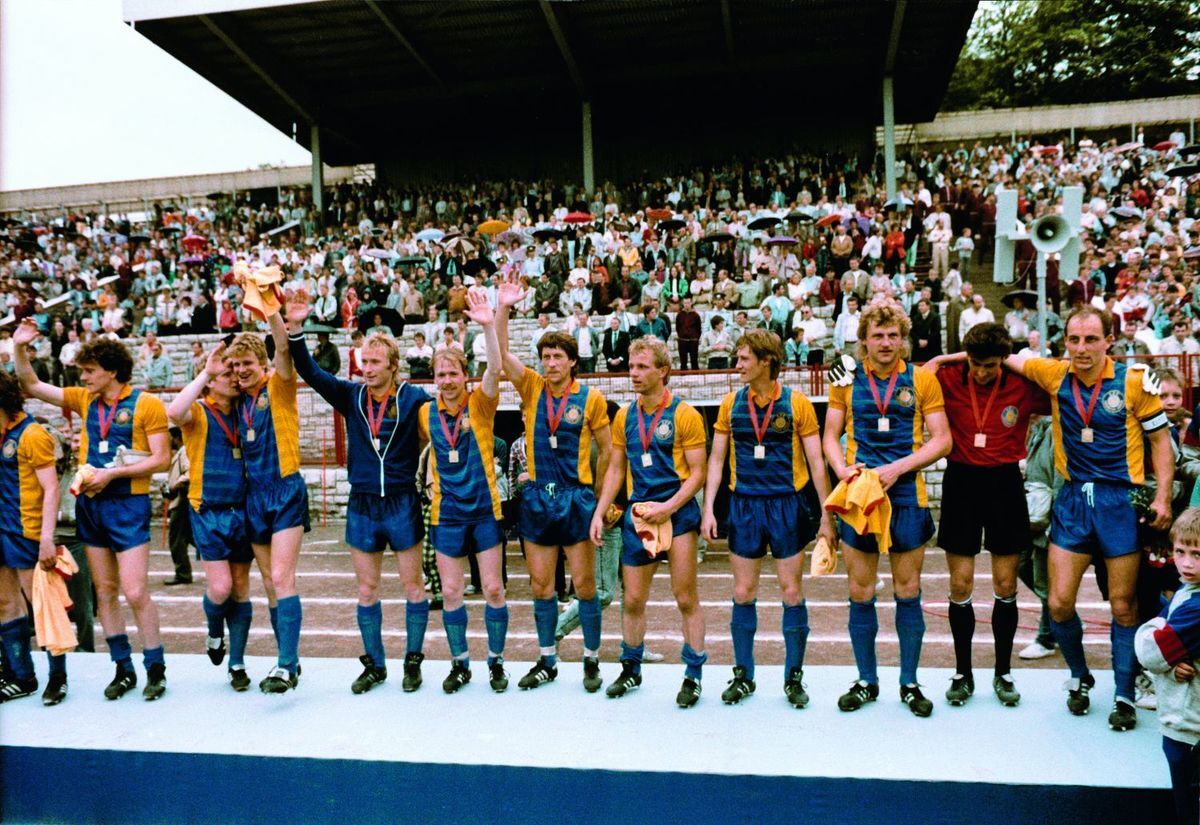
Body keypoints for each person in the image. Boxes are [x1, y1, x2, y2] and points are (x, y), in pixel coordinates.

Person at [1006, 306, 1173, 731]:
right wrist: (942, 360)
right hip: (1073, 500)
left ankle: (1123, 692)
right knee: (1059, 602)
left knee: (1122, 605)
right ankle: (1080, 677)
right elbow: (1001, 353)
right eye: (1074, 340)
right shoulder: (1054, 374)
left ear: (1108, 340)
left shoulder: (1134, 382)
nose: (1081, 349)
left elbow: (1160, 442)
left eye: (1090, 340)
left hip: (1120, 501)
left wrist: (1165, 497)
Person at [13, 320, 171, 701]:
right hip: (91, 504)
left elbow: (162, 459)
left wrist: (112, 473)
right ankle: (123, 667)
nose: (82, 376)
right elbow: (32, 385)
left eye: (89, 370)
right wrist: (18, 348)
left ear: (112, 371)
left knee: (135, 591)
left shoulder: (146, 404)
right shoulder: (85, 400)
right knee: (105, 591)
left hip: (127, 505)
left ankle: (155, 667)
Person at [286, 297, 434, 695]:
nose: (366, 369)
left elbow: (443, 421)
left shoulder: (414, 399)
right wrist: (296, 330)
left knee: (413, 586)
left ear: (392, 366)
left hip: (402, 502)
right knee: (366, 589)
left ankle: (413, 660)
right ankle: (375, 664)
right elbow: (311, 372)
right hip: (363, 503)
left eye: (374, 363)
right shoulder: (351, 396)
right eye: (363, 363)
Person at [822, 301, 952, 717]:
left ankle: (909, 682)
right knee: (860, 591)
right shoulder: (845, 379)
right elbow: (830, 434)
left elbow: (942, 440)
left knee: (907, 591)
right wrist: (842, 468)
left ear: (903, 339)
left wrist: (898, 468)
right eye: (877, 335)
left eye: (893, 335)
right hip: (860, 492)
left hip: (907, 493)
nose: (886, 342)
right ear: (863, 340)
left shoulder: (921, 380)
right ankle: (866, 680)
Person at [702, 329, 836, 707]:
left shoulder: (798, 404)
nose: (737, 365)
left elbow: (816, 463)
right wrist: (709, 507)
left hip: (786, 505)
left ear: (766, 362)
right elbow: (716, 459)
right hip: (744, 505)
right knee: (743, 592)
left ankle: (793, 677)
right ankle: (744, 675)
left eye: (744, 359)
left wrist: (827, 515)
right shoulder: (730, 403)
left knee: (791, 591)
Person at [496, 278, 613, 692]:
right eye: (545, 356)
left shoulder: (592, 399)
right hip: (537, 497)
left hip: (576, 497)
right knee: (541, 585)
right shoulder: (531, 388)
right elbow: (503, 355)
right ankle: (548, 658)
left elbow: (609, 451)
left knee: (585, 586)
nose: (550, 363)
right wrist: (504, 307)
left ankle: (592, 659)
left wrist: (599, 501)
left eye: (558, 356)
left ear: (572, 361)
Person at [925, 324, 1050, 707]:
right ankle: (963, 673)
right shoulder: (947, 377)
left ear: (1004, 360)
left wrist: (1014, 362)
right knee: (960, 586)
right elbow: (919, 373)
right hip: (961, 481)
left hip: (1004, 483)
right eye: (976, 364)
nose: (981, 373)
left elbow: (1057, 377)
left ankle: (1002, 672)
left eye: (991, 366)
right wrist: (947, 358)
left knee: (1005, 585)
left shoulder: (1021, 383)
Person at [590, 337, 708, 707]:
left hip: (678, 516)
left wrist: (668, 508)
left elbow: (698, 474)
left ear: (663, 370)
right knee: (633, 600)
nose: (634, 373)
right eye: (632, 365)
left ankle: (693, 674)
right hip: (639, 517)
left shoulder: (685, 414)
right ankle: (630, 668)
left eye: (642, 367)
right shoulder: (624, 415)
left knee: (685, 597)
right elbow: (616, 469)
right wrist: (600, 510)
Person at [418, 290, 510, 694]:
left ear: (464, 376)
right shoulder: (425, 412)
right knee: (452, 591)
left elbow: (496, 368)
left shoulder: (482, 404)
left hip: (484, 511)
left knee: (493, 589)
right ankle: (459, 663)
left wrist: (489, 325)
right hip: (447, 514)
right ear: (434, 379)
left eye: (453, 373)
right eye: (441, 375)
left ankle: (496, 660)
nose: (447, 380)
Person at [165, 344, 264, 692]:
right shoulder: (200, 412)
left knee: (240, 589)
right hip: (208, 509)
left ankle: (236, 662)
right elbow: (174, 411)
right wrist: (206, 372)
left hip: (242, 509)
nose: (234, 379)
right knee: (220, 587)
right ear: (210, 383)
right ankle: (212, 630)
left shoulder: (244, 410)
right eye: (226, 375)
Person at [226, 313, 311, 694]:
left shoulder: (279, 386)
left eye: (247, 364)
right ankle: (288, 662)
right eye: (236, 365)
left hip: (286, 488)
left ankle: (285, 664)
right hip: (254, 496)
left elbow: (283, 350)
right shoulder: (235, 401)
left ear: (263, 364)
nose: (241, 370)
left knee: (282, 577)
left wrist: (274, 314)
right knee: (269, 584)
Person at [0, 370, 65, 704]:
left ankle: (58, 677)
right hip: (1, 530)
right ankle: (20, 675)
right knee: (4, 603)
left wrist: (46, 537)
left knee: (41, 606)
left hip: (26, 532)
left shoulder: (32, 434)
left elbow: (51, 488)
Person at [1135, 508, 1200, 825]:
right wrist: (1173, 662)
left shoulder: (1196, 606)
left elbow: (1151, 651)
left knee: (1189, 808)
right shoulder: (1188, 592)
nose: (1187, 563)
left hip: (1189, 728)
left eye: (1197, 554)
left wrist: (1153, 630)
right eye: (1180, 552)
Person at [163, 428, 193, 586]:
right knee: (189, 537)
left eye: (171, 438)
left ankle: (183, 573)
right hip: (181, 501)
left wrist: (172, 487)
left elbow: (188, 474)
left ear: (177, 438)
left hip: (181, 501)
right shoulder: (181, 452)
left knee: (177, 539)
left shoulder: (184, 452)